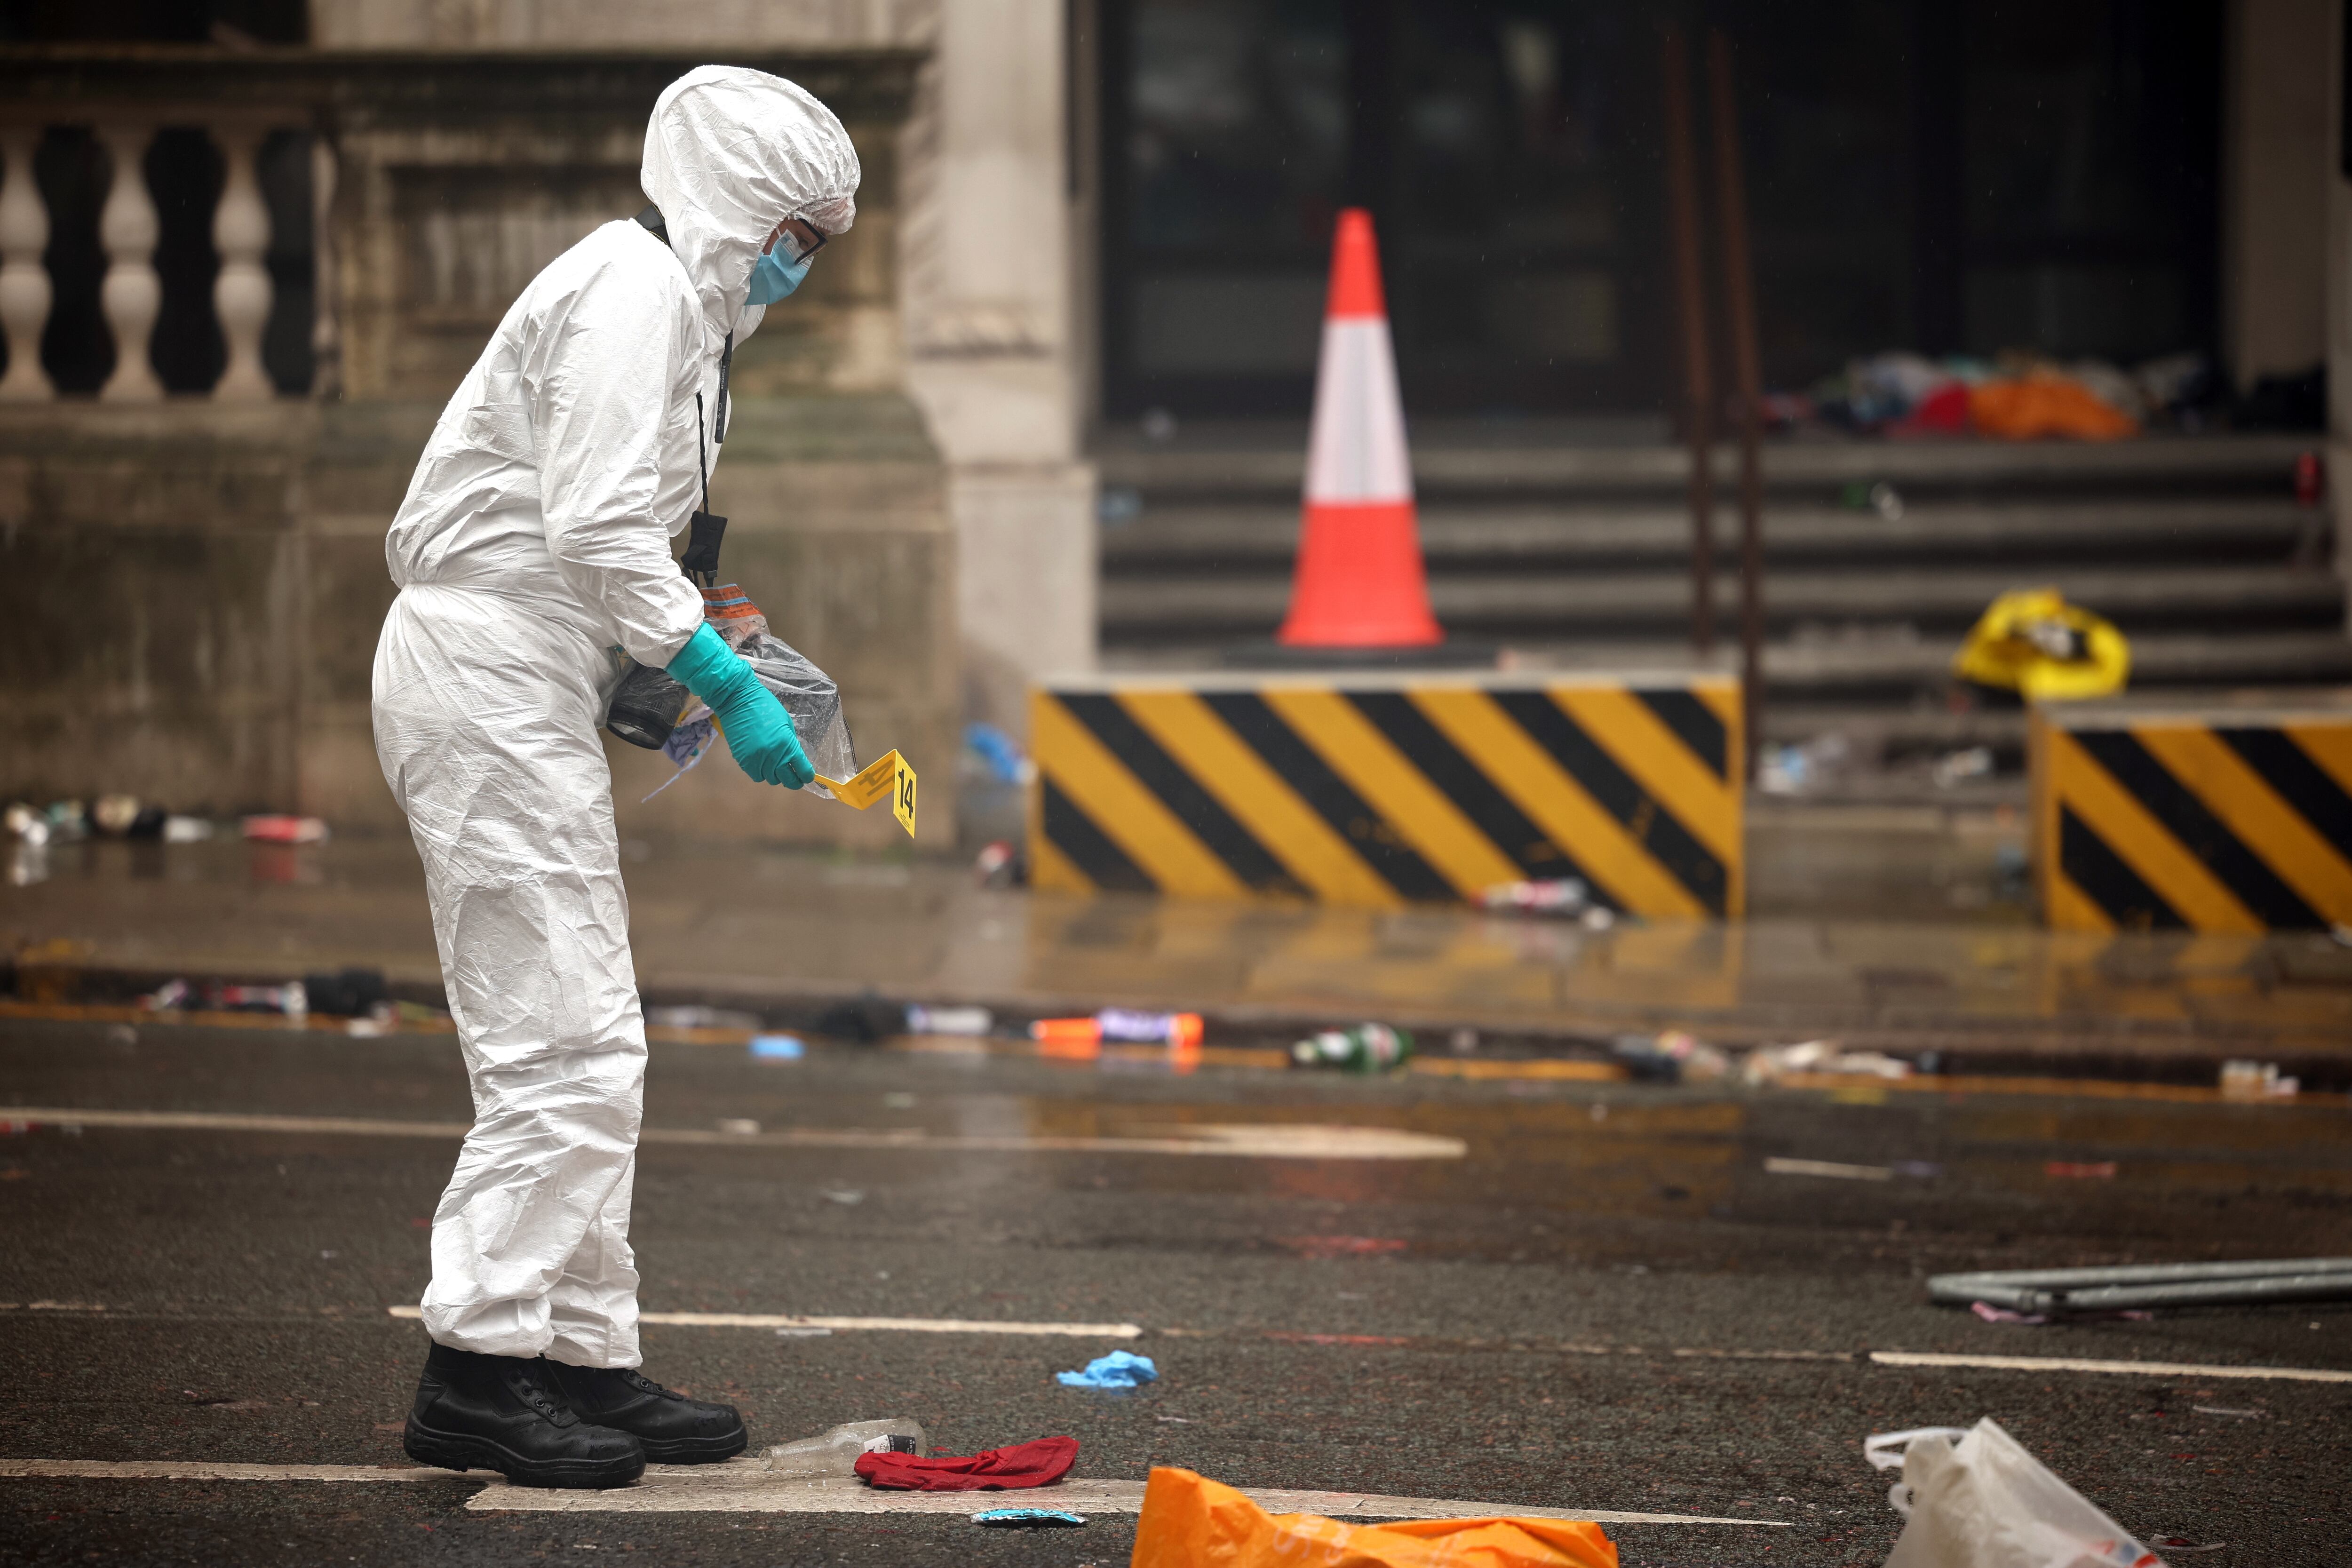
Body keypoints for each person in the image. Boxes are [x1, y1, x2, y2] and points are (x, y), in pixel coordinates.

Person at [371, 65, 858, 1490]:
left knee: (589, 1033)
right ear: (735, 205)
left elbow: (609, 540)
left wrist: (711, 640)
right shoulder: (635, 293)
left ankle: (582, 1358)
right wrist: (712, 676)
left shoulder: (681, 318)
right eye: (795, 233)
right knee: (565, 1047)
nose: (800, 264)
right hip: (488, 671)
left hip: (530, 669)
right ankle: (475, 1369)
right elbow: (594, 531)